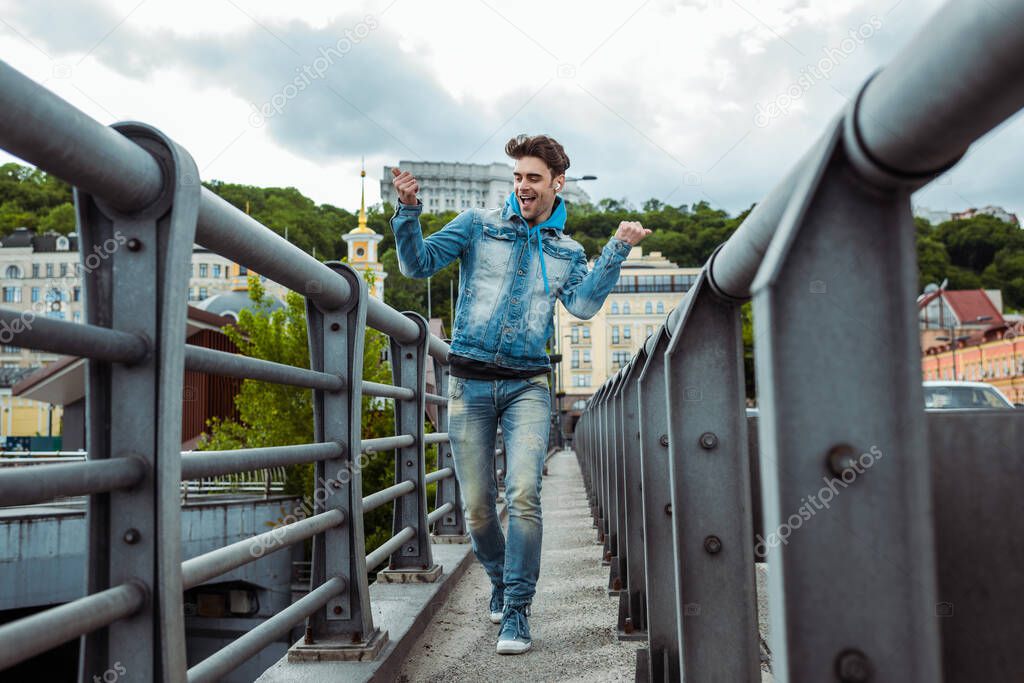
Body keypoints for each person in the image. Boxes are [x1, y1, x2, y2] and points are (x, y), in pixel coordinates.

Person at [389, 134, 649, 655]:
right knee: (479, 507)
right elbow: (417, 266)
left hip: (528, 385)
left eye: (534, 178)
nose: (523, 186)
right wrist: (408, 210)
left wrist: (616, 249)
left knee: (524, 494)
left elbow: (583, 305)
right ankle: (502, 582)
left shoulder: (568, 251)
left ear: (556, 184)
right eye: (518, 177)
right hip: (469, 382)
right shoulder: (476, 226)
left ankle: (517, 611)